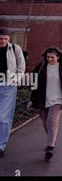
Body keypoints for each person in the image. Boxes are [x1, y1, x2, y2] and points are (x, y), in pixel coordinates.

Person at [29, 47, 62, 160]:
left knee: (52, 121)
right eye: (48, 57)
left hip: (58, 99)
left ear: (58, 57)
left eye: (52, 57)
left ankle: (50, 146)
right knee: (45, 122)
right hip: (43, 99)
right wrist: (32, 96)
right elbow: (34, 81)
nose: (50, 59)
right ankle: (51, 138)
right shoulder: (41, 67)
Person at [0, 29, 26, 157]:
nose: (3, 41)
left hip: (8, 86)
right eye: (0, 38)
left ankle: (1, 146)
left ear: (9, 38)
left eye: (5, 38)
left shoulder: (15, 49)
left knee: (4, 118)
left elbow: (21, 66)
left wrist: (16, 79)